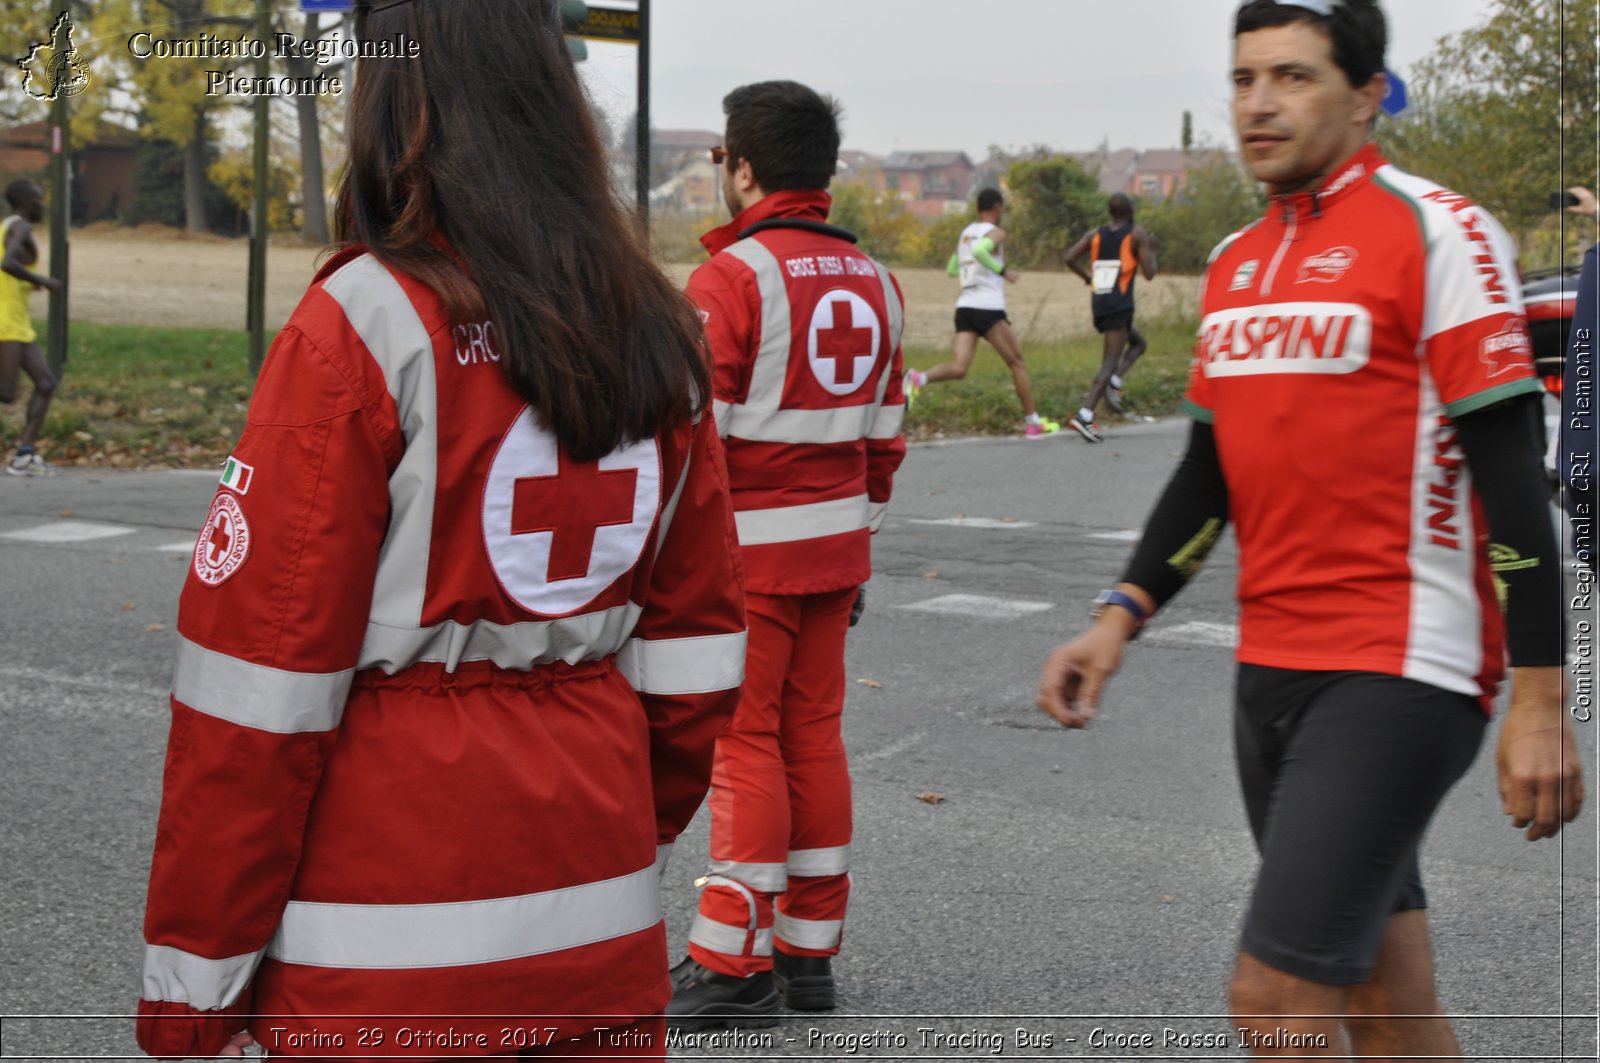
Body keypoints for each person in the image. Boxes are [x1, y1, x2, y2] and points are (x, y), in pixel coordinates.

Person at [135, 2, 746, 1059]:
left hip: (377, 959)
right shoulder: (657, 326)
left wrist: (193, 990)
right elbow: (694, 661)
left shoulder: (363, 324)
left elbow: (254, 699)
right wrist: (605, 823)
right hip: (597, 926)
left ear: (395, 105)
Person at [1037, 1, 1583, 1057]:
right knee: (1388, 1010)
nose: (1258, 103)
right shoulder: (1239, 261)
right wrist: (1118, 614)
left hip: (1400, 666)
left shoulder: (1440, 231)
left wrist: (1540, 700)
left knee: (1275, 1002)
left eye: (1291, 76)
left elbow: (1513, 477)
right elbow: (1208, 476)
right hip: (1271, 668)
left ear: (1366, 95)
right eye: (1243, 79)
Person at [667, 80, 906, 1029]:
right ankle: (809, 957)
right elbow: (885, 439)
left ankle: (732, 962)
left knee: (745, 744)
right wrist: (858, 542)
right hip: (836, 551)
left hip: (747, 562)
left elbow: (696, 443)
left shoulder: (729, 281)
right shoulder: (879, 282)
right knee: (814, 738)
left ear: (743, 168)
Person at [903, 189, 1060, 438]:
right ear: (997, 207)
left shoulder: (965, 234)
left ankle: (918, 379)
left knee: (960, 367)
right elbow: (980, 252)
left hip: (965, 306)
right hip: (987, 307)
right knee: (1017, 363)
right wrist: (1003, 271)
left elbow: (953, 268)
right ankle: (1033, 422)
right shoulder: (995, 232)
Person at [1062, 192, 1158, 441]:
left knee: (1138, 343)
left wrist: (1088, 278)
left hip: (1100, 301)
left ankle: (1114, 380)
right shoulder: (1136, 234)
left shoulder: (1095, 234)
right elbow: (1150, 273)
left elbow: (1070, 257)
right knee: (1110, 360)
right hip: (1120, 303)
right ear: (1130, 210)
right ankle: (1086, 414)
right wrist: (1152, 249)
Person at [0, 178, 62, 476]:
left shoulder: (9, 224)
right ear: (25, 202)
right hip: (5, 320)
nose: (42, 204)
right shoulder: (20, 226)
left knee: (46, 383)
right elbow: (7, 263)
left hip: (16, 319)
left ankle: (25, 454)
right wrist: (44, 281)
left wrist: (28, 284)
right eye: (38, 198)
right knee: (7, 393)